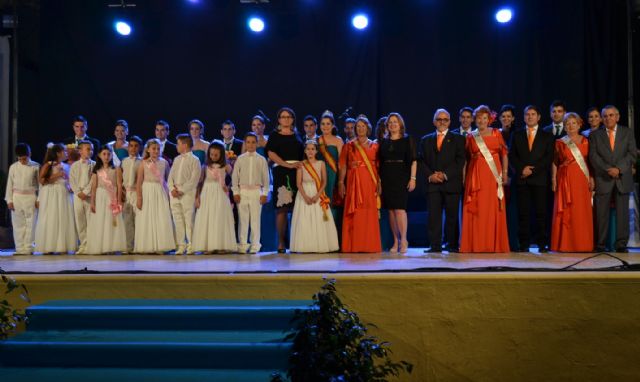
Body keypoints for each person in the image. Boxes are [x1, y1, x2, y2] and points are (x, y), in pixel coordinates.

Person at [460, 105, 510, 253]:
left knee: (492, 207)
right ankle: (475, 244)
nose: (481, 121)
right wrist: (464, 177)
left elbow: (504, 154)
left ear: (489, 119)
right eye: (479, 118)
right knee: (477, 209)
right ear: (475, 120)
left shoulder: (496, 133)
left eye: (484, 118)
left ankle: (493, 244)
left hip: (494, 175)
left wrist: (505, 173)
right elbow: (465, 159)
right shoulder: (470, 136)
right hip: (476, 176)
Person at [589, 105, 637, 253]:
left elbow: (632, 154)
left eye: (611, 115)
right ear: (602, 119)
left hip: (622, 178)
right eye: (605, 116)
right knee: (601, 214)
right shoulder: (595, 135)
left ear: (617, 117)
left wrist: (619, 169)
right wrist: (608, 169)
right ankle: (601, 244)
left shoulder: (627, 133)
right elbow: (593, 156)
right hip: (604, 178)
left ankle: (621, 244)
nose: (608, 118)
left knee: (622, 214)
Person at [509, 105, 555, 252]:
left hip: (540, 179)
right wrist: (522, 169)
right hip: (522, 179)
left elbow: (548, 158)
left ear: (539, 117)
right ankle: (524, 244)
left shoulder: (547, 135)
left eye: (533, 114)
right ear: (524, 117)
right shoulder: (516, 135)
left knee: (541, 213)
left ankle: (542, 244)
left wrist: (532, 171)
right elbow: (512, 156)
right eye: (527, 114)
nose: (530, 117)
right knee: (523, 213)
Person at [420, 109, 465, 253]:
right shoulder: (425, 140)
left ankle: (452, 245)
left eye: (445, 119)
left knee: (452, 217)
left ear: (450, 122)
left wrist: (445, 175)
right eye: (439, 119)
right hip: (433, 184)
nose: (442, 122)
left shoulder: (458, 139)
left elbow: (460, 161)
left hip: (451, 183)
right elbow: (421, 162)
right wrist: (430, 176)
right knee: (434, 217)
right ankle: (435, 246)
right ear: (434, 121)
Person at [550, 113, 594, 252]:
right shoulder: (560, 142)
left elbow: (591, 163)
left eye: (573, 123)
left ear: (579, 124)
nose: (570, 126)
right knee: (566, 211)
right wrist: (553, 179)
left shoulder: (587, 141)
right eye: (567, 123)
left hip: (582, 180)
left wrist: (592, 178)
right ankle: (564, 244)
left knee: (581, 212)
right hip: (565, 180)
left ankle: (582, 244)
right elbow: (555, 162)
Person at [338, 115, 382, 253]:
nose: (361, 128)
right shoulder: (349, 146)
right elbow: (343, 166)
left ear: (368, 128)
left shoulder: (375, 146)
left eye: (363, 126)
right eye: (358, 126)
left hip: (369, 181)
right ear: (355, 129)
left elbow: (379, 167)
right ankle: (353, 245)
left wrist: (379, 182)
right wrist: (340, 182)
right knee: (355, 211)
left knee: (368, 211)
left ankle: (369, 245)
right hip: (353, 182)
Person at [265, 107, 304, 253]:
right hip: (282, 172)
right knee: (282, 209)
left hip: (297, 173)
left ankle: (296, 242)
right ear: (279, 119)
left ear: (293, 119)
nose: (286, 119)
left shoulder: (297, 135)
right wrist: (288, 165)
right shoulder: (275, 135)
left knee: (297, 209)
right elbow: (271, 154)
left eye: (289, 117)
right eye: (283, 117)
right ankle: (281, 243)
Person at [290, 140, 340, 253]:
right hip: (304, 193)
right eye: (308, 149)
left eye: (313, 149)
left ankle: (319, 245)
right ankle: (305, 245)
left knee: (319, 219)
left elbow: (324, 182)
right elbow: (298, 183)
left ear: (316, 151)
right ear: (305, 151)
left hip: (317, 192)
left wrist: (318, 195)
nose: (310, 151)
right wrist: (305, 196)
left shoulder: (321, 164)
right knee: (305, 218)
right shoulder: (301, 164)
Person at [378, 112, 417, 253]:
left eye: (395, 122)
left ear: (400, 124)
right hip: (387, 177)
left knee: (400, 210)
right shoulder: (383, 142)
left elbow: (413, 160)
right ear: (387, 126)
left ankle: (404, 239)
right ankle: (396, 241)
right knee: (391, 211)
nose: (393, 124)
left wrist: (413, 179)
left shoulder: (408, 140)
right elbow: (380, 163)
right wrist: (380, 182)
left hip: (402, 176)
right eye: (390, 122)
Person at [192, 141, 237, 253]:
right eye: (211, 154)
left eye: (216, 155)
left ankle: (221, 245)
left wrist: (229, 186)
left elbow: (235, 177)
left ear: (221, 154)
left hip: (220, 194)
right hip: (207, 193)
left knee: (219, 217)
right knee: (208, 218)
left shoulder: (226, 166)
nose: (213, 157)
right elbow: (200, 182)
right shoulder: (205, 166)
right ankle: (208, 246)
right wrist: (197, 197)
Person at [34, 143, 77, 254]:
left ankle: (62, 246)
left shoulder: (67, 166)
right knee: (51, 218)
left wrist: (70, 186)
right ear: (58, 153)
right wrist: (57, 175)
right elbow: (42, 181)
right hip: (51, 194)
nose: (67, 153)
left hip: (63, 193)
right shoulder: (48, 165)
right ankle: (49, 246)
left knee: (63, 218)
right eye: (65, 151)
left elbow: (69, 181)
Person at [134, 139, 175, 254]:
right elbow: (139, 182)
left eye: (158, 148)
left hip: (160, 191)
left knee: (160, 217)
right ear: (148, 150)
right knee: (147, 218)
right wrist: (139, 198)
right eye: (153, 149)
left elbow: (168, 179)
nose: (156, 151)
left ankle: (161, 246)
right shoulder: (144, 163)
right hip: (147, 191)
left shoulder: (164, 163)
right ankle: (148, 246)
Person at [232, 133, 270, 254]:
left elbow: (266, 178)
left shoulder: (261, 159)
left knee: (255, 220)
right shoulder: (240, 158)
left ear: (257, 143)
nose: (251, 144)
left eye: (253, 142)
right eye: (248, 142)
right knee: (243, 220)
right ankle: (242, 244)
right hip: (242, 191)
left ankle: (255, 244)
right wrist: (236, 192)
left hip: (256, 192)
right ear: (245, 143)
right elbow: (235, 177)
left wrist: (264, 193)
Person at [86, 146, 126, 254]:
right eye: (104, 154)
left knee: (111, 221)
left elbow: (118, 185)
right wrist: (93, 202)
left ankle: (111, 246)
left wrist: (118, 201)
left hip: (111, 197)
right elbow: (94, 187)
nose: (106, 156)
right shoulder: (96, 170)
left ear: (112, 155)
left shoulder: (116, 169)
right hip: (100, 197)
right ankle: (100, 246)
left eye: (109, 154)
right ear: (99, 155)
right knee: (100, 221)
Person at [168, 134, 201, 255]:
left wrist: (182, 190)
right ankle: (181, 245)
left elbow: (194, 180)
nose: (176, 146)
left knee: (189, 220)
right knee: (178, 220)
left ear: (185, 145)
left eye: (178, 143)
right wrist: (172, 189)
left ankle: (191, 244)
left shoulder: (195, 160)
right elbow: (170, 177)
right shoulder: (176, 159)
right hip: (175, 193)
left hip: (187, 193)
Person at [5, 143, 39, 255]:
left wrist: (39, 199)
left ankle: (29, 247)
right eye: (20, 159)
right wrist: (9, 200)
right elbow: (10, 184)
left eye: (24, 159)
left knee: (31, 223)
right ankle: (19, 248)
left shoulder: (36, 166)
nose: (22, 161)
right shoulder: (13, 167)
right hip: (17, 197)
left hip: (30, 197)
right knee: (18, 223)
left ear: (29, 154)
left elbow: (40, 185)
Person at [69, 141, 95, 254]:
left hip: (89, 196)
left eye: (92, 149)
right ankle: (83, 244)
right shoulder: (75, 165)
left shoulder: (94, 164)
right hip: (78, 196)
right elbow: (72, 180)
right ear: (80, 151)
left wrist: (86, 192)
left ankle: (91, 244)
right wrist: (78, 192)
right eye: (88, 149)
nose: (91, 151)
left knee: (90, 220)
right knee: (80, 220)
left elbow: (93, 180)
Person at [317, 111, 344, 213]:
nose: (325, 126)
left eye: (328, 123)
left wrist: (341, 181)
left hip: (333, 175)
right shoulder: (317, 140)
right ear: (319, 126)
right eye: (323, 124)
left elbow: (341, 163)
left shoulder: (338, 140)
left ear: (333, 125)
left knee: (333, 202)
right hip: (319, 175)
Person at [120, 135, 142, 253]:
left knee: (138, 220)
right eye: (131, 146)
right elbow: (120, 179)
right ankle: (129, 246)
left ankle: (138, 245)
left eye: (136, 146)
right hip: (127, 193)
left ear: (140, 148)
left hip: (137, 193)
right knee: (127, 220)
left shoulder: (142, 162)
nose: (133, 148)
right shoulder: (124, 161)